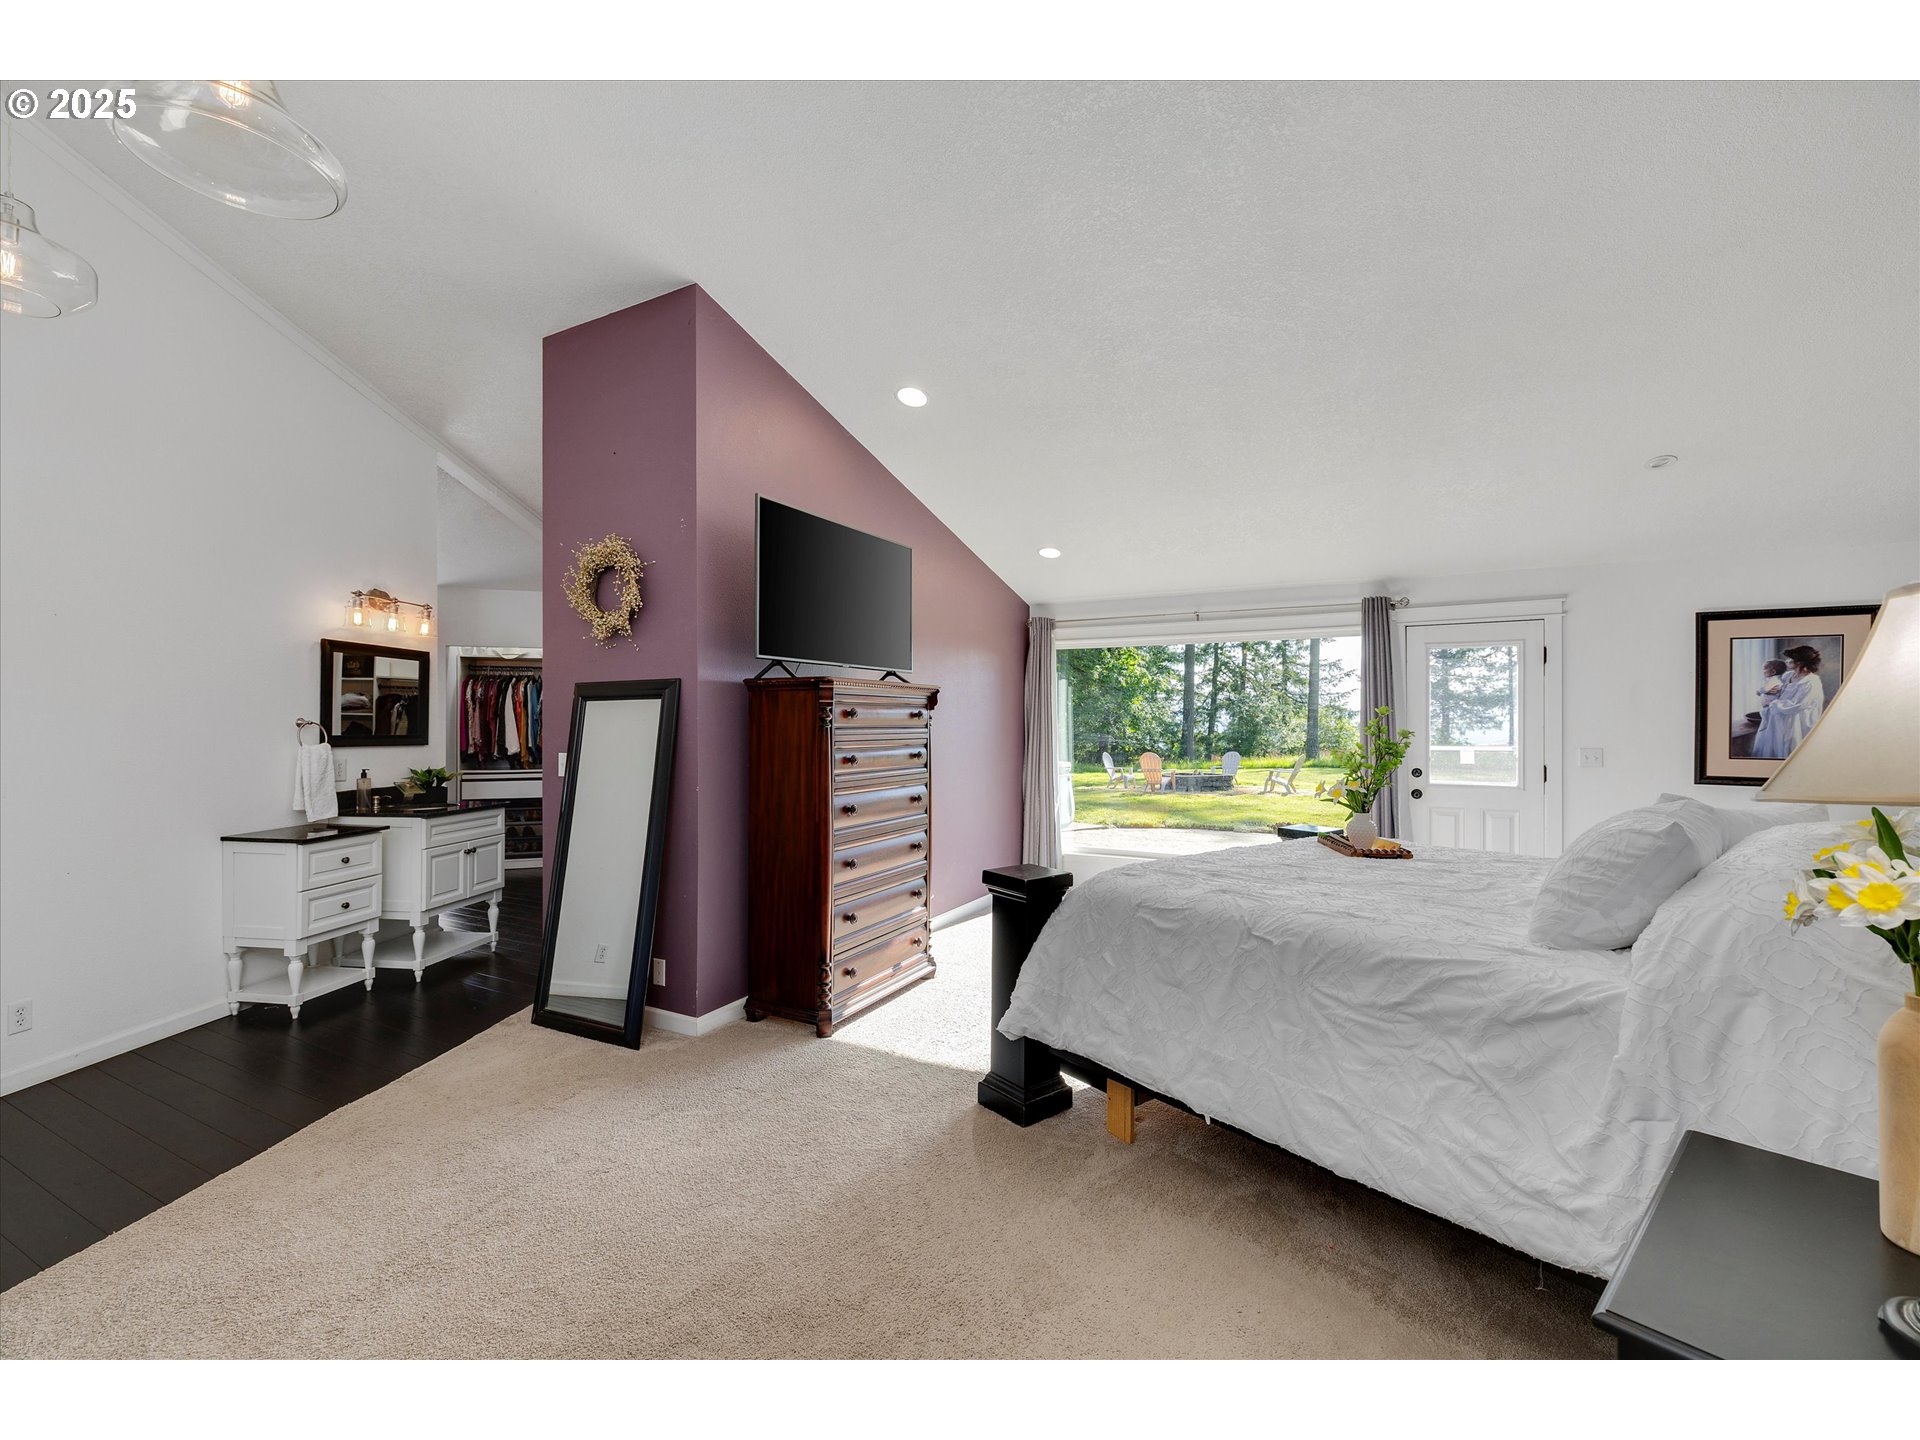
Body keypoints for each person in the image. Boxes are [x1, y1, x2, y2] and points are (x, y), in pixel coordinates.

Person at [1750, 645, 1826, 760]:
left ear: (1800, 662)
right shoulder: (1788, 676)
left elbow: (1797, 705)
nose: (1787, 661)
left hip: (1795, 723)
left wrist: (1773, 703)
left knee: (1790, 750)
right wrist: (1772, 693)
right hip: (1778, 720)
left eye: (1790, 659)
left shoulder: (1811, 682)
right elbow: (1778, 692)